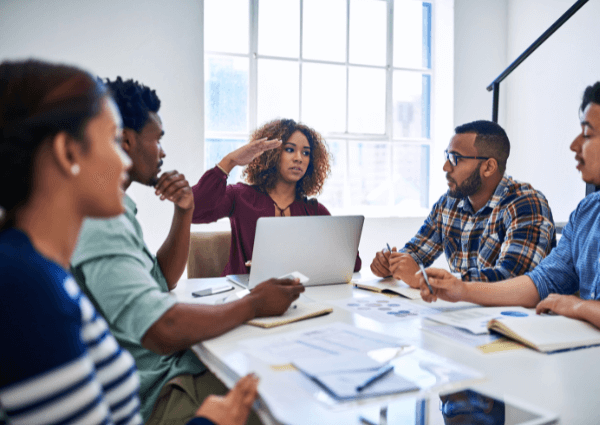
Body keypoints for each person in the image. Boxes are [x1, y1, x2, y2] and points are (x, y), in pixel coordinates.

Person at [0, 59, 258, 425]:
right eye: (111, 139)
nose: (121, 156)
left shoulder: (39, 270)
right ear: (68, 153)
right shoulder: (29, 286)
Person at [70, 77, 304, 425]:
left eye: (304, 152)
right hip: (158, 387)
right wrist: (253, 303)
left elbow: (161, 280)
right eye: (158, 140)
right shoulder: (100, 218)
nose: (162, 152)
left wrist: (184, 211)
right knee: (282, 404)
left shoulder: (121, 208)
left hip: (172, 367)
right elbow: (162, 327)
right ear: (127, 141)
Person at [417, 82, 600, 330]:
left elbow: (516, 274)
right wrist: (461, 289)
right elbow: (541, 282)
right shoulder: (587, 213)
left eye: (587, 135)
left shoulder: (526, 202)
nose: (574, 145)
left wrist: (581, 306)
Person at [370, 120, 556, 287]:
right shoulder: (449, 203)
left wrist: (425, 279)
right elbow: (416, 252)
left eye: (455, 158)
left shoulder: (526, 204)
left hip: (510, 321)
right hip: (462, 314)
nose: (446, 167)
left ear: (489, 167)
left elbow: (513, 281)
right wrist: (392, 263)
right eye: (447, 156)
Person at [192, 118, 361, 275]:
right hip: (241, 299)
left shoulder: (314, 211)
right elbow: (193, 211)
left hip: (295, 298)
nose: (298, 158)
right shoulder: (240, 196)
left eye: (306, 153)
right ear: (271, 153)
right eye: (289, 150)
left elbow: (352, 265)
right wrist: (229, 162)